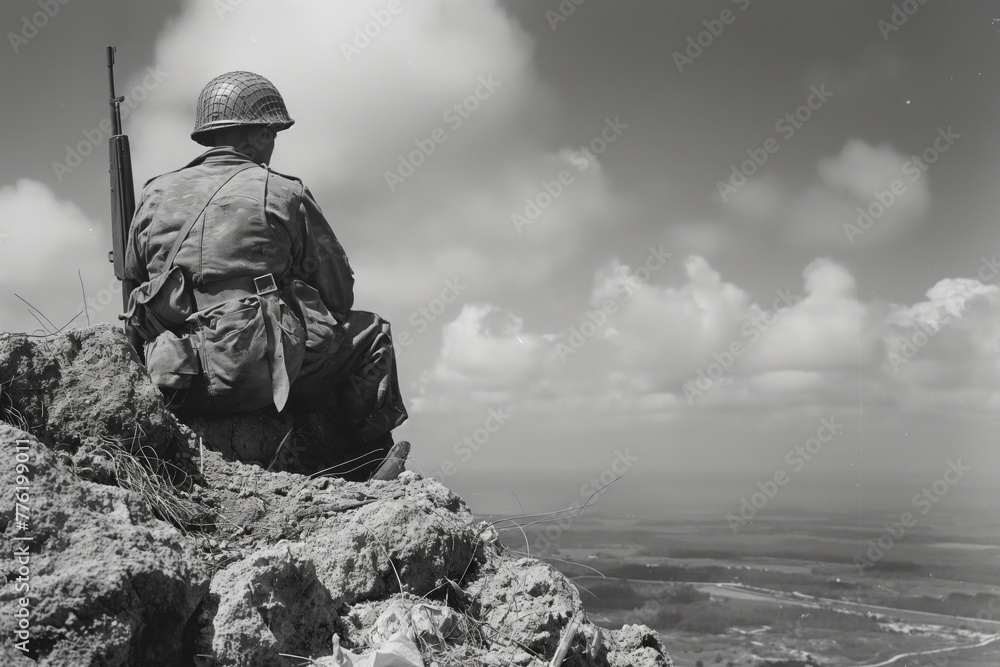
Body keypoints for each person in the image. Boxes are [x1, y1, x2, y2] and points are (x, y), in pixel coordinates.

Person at [123, 71, 408, 481]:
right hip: (253, 375)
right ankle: (364, 463)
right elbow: (338, 294)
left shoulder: (154, 193)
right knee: (372, 333)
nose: (273, 144)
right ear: (256, 135)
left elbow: (133, 282)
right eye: (272, 132)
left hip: (173, 377)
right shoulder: (283, 192)